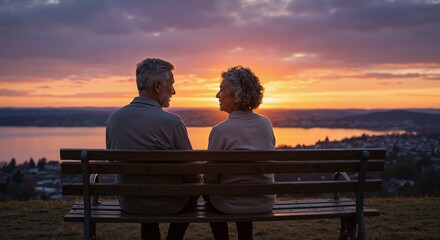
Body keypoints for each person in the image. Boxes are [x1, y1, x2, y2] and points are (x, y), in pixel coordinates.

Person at [106, 58, 200, 240]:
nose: (173, 91)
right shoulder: (172, 123)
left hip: (130, 203)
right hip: (170, 204)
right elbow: (192, 175)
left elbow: (113, 162)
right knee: (194, 190)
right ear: (158, 86)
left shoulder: (114, 119)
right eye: (171, 84)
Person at [205, 66, 276, 240]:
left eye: (222, 90)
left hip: (229, 204)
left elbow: (211, 179)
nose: (217, 95)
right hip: (264, 201)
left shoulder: (220, 130)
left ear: (236, 96)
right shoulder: (266, 123)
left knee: (209, 195)